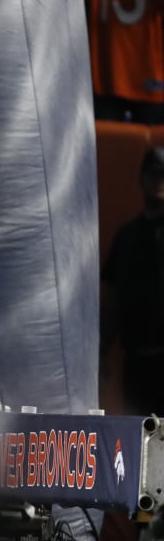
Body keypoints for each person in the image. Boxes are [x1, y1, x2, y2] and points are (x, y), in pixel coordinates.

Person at [101, 146, 164, 418]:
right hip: (136, 359)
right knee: (139, 441)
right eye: (154, 175)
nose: (159, 182)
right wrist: (102, 350)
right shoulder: (127, 235)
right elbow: (113, 298)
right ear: (142, 179)